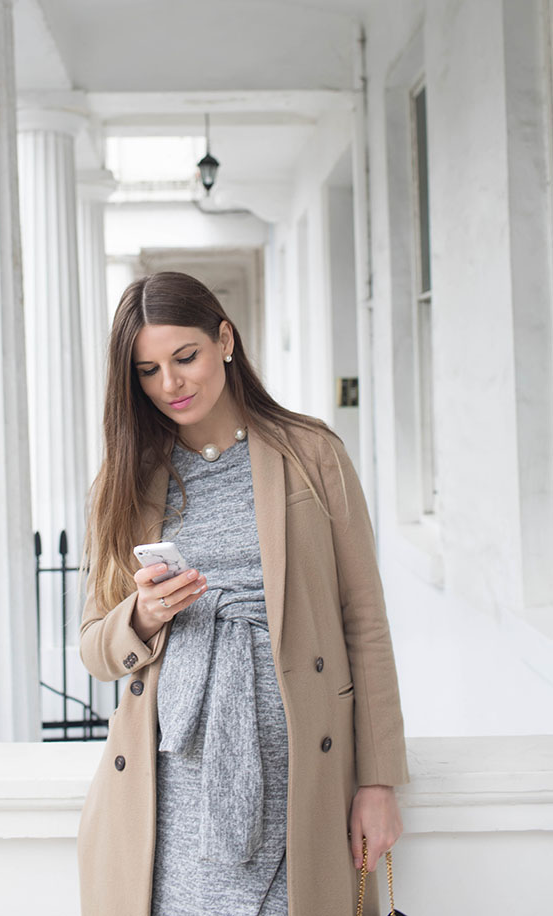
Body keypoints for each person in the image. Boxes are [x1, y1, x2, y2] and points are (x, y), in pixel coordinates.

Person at [77, 271, 408, 916]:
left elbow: (363, 622)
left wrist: (377, 781)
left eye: (185, 357)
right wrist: (142, 616)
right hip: (175, 787)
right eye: (147, 370)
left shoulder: (310, 453)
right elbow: (94, 650)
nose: (170, 384)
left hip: (305, 778)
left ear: (224, 338)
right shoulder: (127, 481)